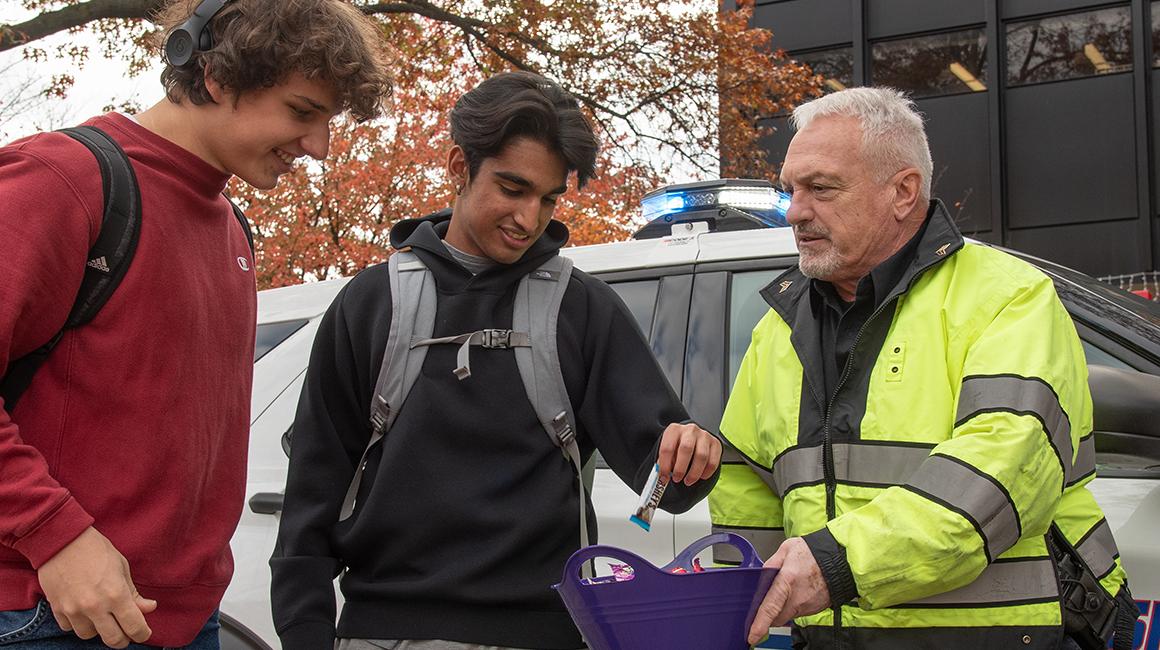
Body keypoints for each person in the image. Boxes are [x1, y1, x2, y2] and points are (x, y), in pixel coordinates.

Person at [269, 70, 723, 650]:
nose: (530, 220)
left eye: (549, 198)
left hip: (546, 633)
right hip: (382, 633)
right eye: (513, 189)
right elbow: (314, 487)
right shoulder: (370, 303)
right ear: (460, 168)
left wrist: (691, 453)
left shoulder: (582, 308)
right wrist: (304, 633)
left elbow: (665, 483)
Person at [0, 0, 391, 647]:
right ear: (216, 76)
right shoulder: (64, 181)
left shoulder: (231, 227)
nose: (319, 147)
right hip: (46, 615)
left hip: (186, 622)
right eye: (302, 112)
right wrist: (54, 535)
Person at [708, 87, 1133, 649]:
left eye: (821, 188)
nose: (795, 210)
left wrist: (836, 565)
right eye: (791, 189)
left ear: (903, 192)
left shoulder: (1007, 297)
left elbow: (1000, 471)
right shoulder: (778, 328)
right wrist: (747, 598)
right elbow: (746, 481)